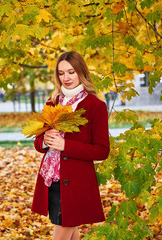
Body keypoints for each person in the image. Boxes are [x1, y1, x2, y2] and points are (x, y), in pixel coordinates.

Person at [31, 51, 110, 240]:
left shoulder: (95, 106)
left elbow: (102, 150)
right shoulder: (53, 102)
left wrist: (65, 145)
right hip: (51, 179)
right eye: (61, 73)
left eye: (71, 72)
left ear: (81, 72)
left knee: (61, 234)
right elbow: (38, 142)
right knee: (70, 233)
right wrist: (45, 141)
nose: (66, 78)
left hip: (77, 184)